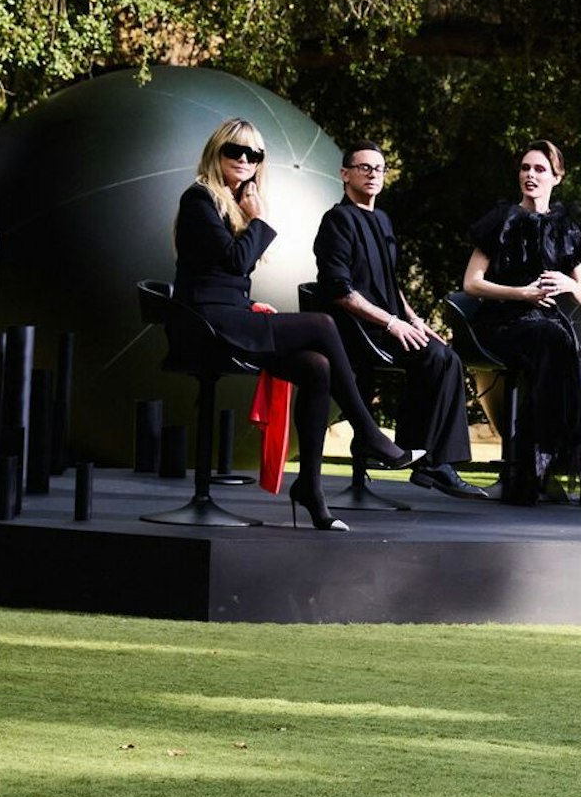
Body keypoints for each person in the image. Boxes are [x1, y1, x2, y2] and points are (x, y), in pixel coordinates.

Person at [171, 118, 423, 531]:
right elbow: (234, 262)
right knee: (321, 324)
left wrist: (250, 303)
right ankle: (368, 432)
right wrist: (258, 220)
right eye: (235, 150)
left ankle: (310, 488)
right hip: (204, 326)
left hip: (231, 316)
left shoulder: (231, 204)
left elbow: (223, 275)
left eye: (254, 154)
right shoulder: (199, 199)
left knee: (315, 366)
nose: (244, 159)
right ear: (216, 152)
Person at [312, 141, 488, 500]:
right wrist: (392, 323)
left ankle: (425, 458)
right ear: (345, 174)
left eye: (379, 168)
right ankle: (431, 463)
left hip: (388, 323)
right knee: (438, 359)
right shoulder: (337, 220)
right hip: (356, 327)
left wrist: (413, 319)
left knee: (443, 356)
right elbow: (339, 290)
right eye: (364, 167)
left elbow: (389, 284)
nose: (372, 174)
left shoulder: (382, 219)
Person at [461, 140, 581, 508]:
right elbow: (471, 283)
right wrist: (522, 294)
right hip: (503, 321)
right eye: (525, 168)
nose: (530, 175)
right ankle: (535, 468)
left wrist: (567, 282)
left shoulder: (566, 229)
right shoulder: (502, 220)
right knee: (561, 348)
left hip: (546, 327)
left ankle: (535, 468)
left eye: (539, 169)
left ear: (557, 177)